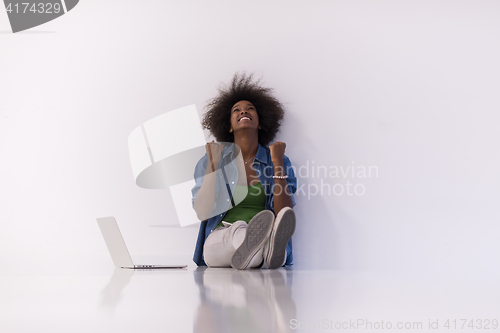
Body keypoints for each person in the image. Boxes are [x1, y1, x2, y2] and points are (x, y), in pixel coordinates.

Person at [191, 73, 297, 269]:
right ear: (229, 126)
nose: (243, 112)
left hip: (251, 251)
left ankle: (258, 252)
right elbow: (203, 213)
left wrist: (277, 163)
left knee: (252, 255)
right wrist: (213, 165)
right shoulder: (211, 159)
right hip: (219, 241)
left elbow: (283, 212)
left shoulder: (280, 160)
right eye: (236, 110)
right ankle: (268, 251)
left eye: (250, 109)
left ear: (261, 122)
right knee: (240, 230)